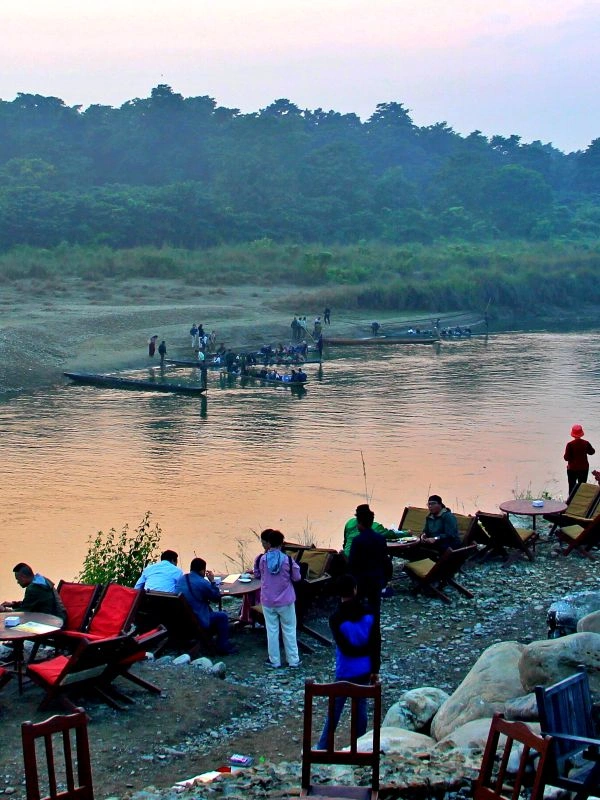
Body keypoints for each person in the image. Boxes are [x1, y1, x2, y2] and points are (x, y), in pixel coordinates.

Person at [315, 574, 380, 750]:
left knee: (335, 709)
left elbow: (345, 648)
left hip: (345, 670)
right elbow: (376, 642)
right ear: (355, 590)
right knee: (360, 708)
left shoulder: (336, 619)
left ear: (339, 593)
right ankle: (358, 745)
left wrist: (361, 652)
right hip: (366, 668)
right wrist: (375, 667)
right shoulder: (369, 612)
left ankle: (322, 746)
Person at [253, 529, 301, 668]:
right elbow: (297, 577)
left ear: (268, 543)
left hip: (268, 600)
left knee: (272, 630)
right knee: (289, 629)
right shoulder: (288, 560)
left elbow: (257, 574)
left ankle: (274, 660)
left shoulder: (261, 559)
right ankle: (293, 660)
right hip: (286, 600)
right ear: (281, 543)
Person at [176, 558, 237, 655]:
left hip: (183, 619)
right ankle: (223, 646)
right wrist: (212, 581)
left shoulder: (181, 579)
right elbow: (216, 598)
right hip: (197, 619)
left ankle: (216, 639)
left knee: (212, 612)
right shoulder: (202, 582)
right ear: (202, 570)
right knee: (223, 616)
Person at [347, 505, 389, 616]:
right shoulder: (380, 539)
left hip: (361, 580)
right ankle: (375, 632)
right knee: (375, 608)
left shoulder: (357, 540)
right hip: (376, 579)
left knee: (358, 607)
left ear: (360, 524)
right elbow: (385, 560)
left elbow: (352, 563)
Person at [0, 563, 67, 622]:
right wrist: (14, 604)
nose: (17, 582)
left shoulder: (33, 588)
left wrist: (4, 610)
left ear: (23, 577)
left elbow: (23, 612)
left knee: (11, 624)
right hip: (59, 618)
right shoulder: (41, 580)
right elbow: (31, 603)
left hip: (54, 623)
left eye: (18, 579)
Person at [564, 424, 595, 496]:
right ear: (581, 433)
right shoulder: (586, 443)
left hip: (572, 469)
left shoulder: (570, 444)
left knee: (571, 486)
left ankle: (570, 502)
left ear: (573, 434)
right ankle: (581, 501)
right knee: (582, 487)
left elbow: (566, 458)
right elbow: (592, 452)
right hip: (583, 468)